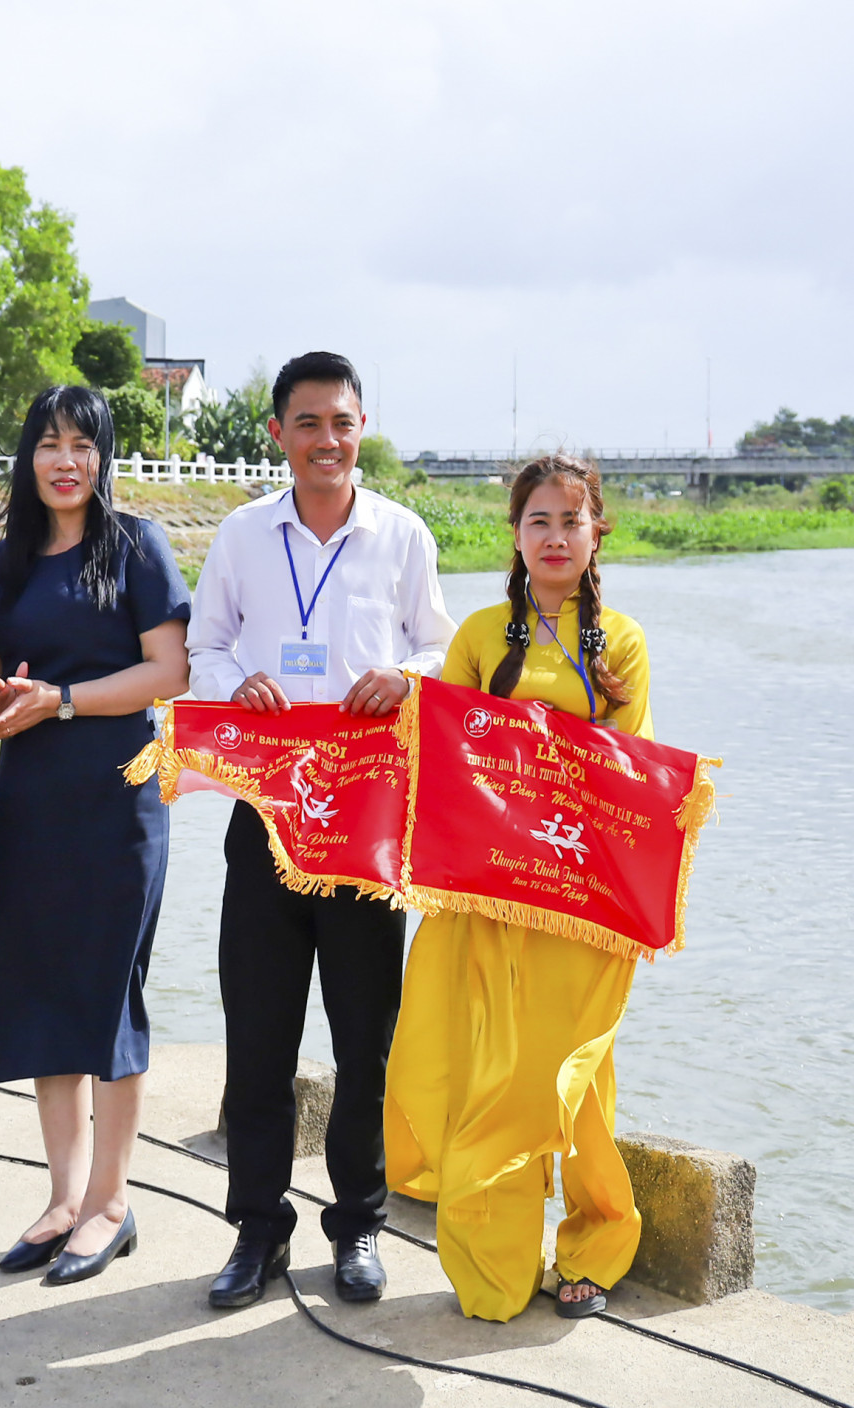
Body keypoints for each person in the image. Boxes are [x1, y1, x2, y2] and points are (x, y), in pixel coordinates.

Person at [186, 351, 455, 1310]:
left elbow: (440, 646)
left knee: (364, 1043)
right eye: (308, 423)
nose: (327, 441)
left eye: (342, 423)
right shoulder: (243, 536)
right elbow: (204, 645)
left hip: (368, 828)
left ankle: (359, 1228)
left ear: (360, 426)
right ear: (278, 435)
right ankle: (257, 1231)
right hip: (266, 817)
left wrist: (410, 679)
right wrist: (234, 685)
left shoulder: (403, 535)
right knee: (257, 1038)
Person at [386, 455, 651, 1321]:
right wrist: (405, 694)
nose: (555, 537)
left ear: (595, 532)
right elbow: (442, 754)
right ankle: (496, 1266)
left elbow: (628, 784)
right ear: (516, 532)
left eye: (572, 521)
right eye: (539, 520)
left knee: (574, 1083)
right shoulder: (476, 636)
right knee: (483, 1078)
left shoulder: (623, 646)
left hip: (574, 907)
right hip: (484, 903)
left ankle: (596, 1241)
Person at [0, 385, 191, 1287]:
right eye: (50, 443)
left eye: (83, 445)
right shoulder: (1, 562)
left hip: (119, 797)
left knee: (105, 996)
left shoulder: (136, 546)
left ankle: (110, 1202)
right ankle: (61, 1198)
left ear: (103, 458)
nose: (66, 460)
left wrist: (57, 699)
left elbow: (167, 671)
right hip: (30, 800)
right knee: (44, 992)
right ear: (28, 456)